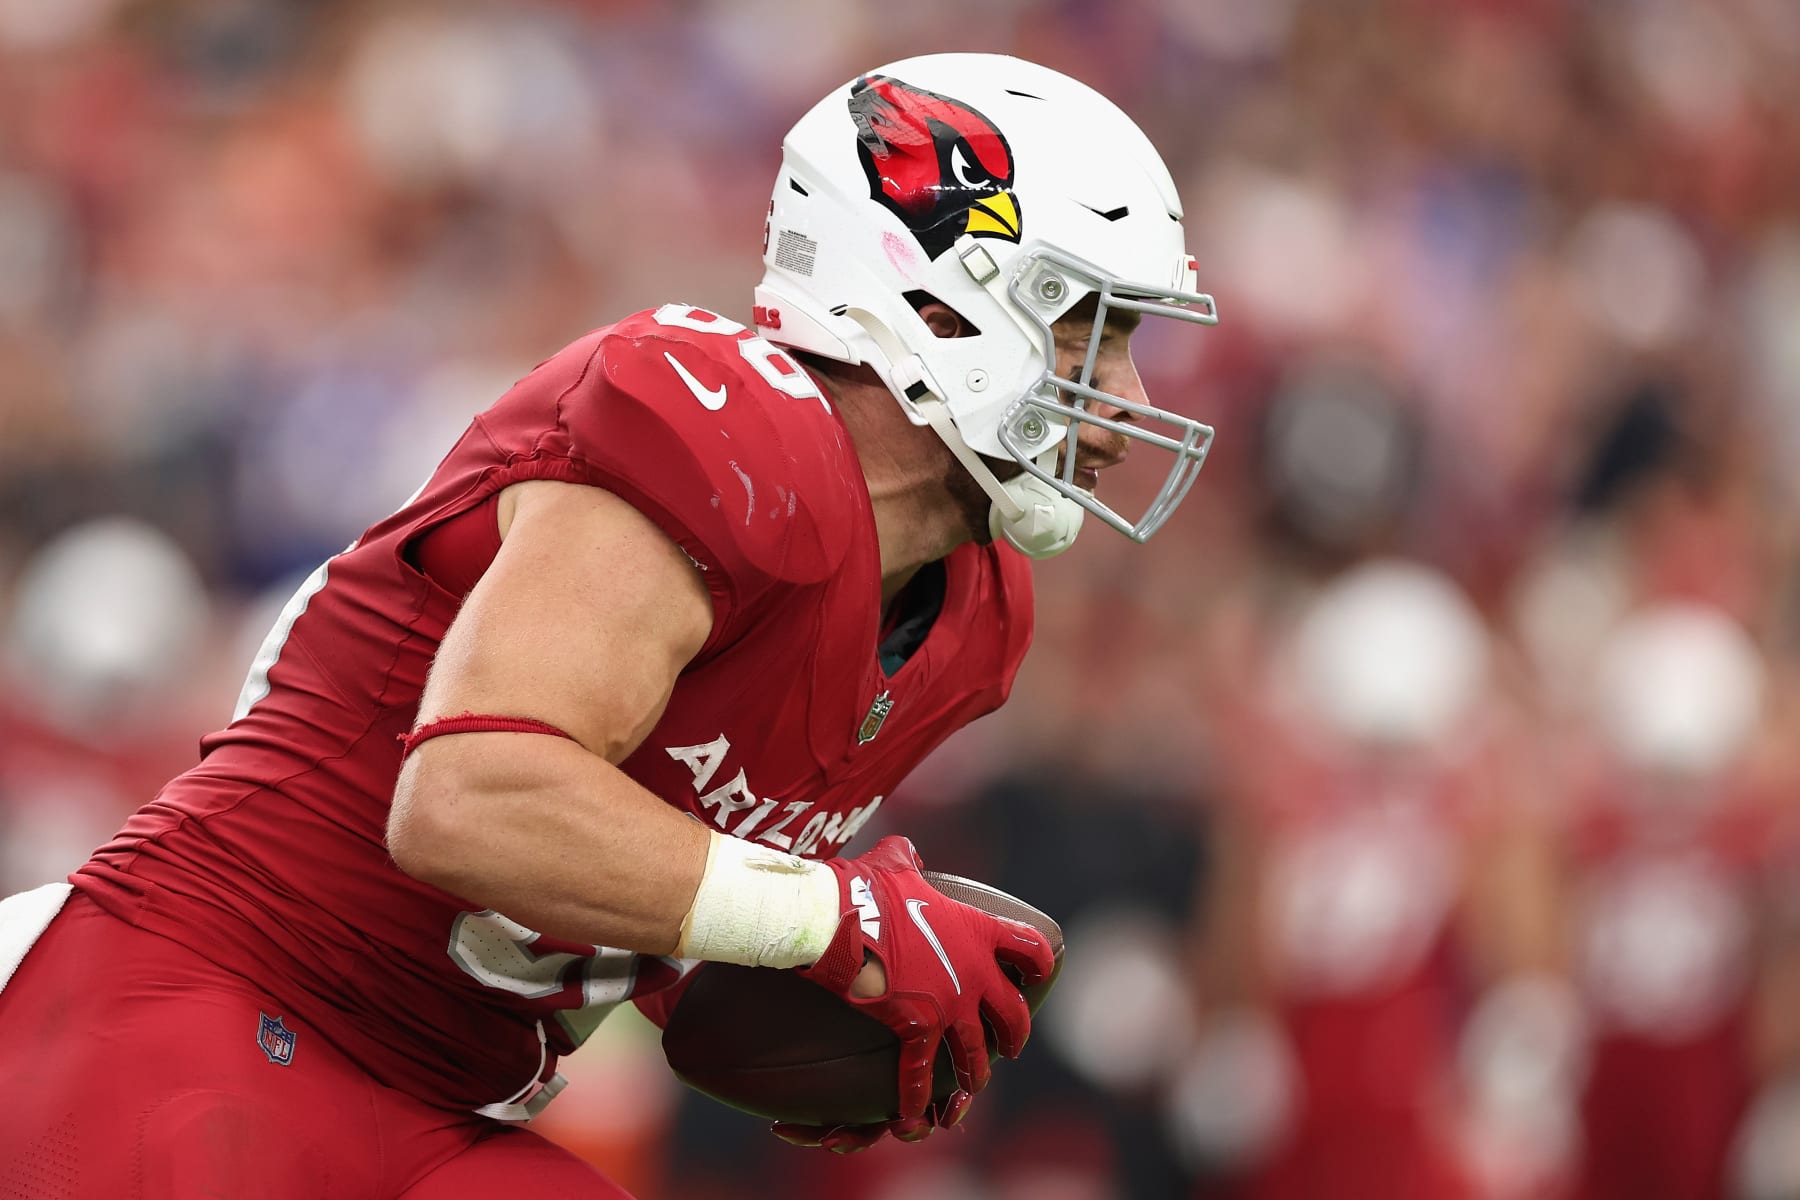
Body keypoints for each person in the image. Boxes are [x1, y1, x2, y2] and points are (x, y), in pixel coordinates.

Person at [0, 53, 1219, 1198]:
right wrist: (830, 917)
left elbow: (662, 896)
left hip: (452, 1094)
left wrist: (814, 995)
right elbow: (476, 798)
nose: (1124, 400)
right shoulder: (728, 431)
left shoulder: (973, 616)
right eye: (1087, 332)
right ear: (940, 303)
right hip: (212, 991)